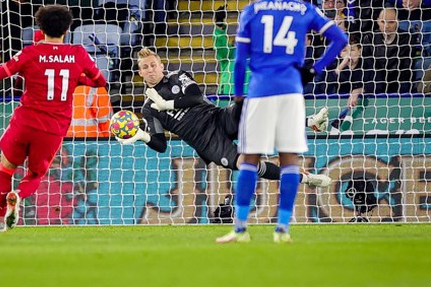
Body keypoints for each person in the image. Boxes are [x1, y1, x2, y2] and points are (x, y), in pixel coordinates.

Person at [216, 0, 347, 244]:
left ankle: (240, 229)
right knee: (289, 159)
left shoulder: (253, 10)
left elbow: (239, 61)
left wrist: (239, 95)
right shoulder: (303, 8)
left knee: (249, 159)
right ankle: (283, 229)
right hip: (291, 91)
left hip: (260, 91)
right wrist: (314, 69)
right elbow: (339, 39)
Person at [0, 4, 108, 232]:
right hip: (53, 127)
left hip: (24, 122)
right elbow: (101, 81)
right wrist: (77, 80)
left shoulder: (30, 53)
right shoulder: (78, 53)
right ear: (67, 29)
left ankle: (0, 222)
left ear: (39, 27)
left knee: (6, 169)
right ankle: (18, 194)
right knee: (35, 174)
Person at [115, 47, 333, 193]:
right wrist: (141, 135)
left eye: (153, 64)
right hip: (206, 142)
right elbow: (160, 145)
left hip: (217, 117)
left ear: (161, 65)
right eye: (145, 67)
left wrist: (166, 104)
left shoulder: (178, 76)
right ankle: (304, 179)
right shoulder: (148, 109)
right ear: (140, 73)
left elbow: (192, 96)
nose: (151, 69)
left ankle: (309, 121)